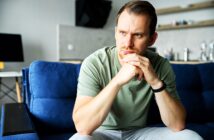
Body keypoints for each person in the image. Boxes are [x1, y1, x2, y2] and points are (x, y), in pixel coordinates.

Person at [69, 1, 203, 140]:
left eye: (138, 35)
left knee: (190, 137)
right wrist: (117, 81)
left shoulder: (160, 65)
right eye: (122, 33)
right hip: (101, 133)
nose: (127, 43)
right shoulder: (95, 63)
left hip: (140, 133)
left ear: (152, 39)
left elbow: (177, 125)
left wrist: (156, 83)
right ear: (115, 33)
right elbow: (82, 127)